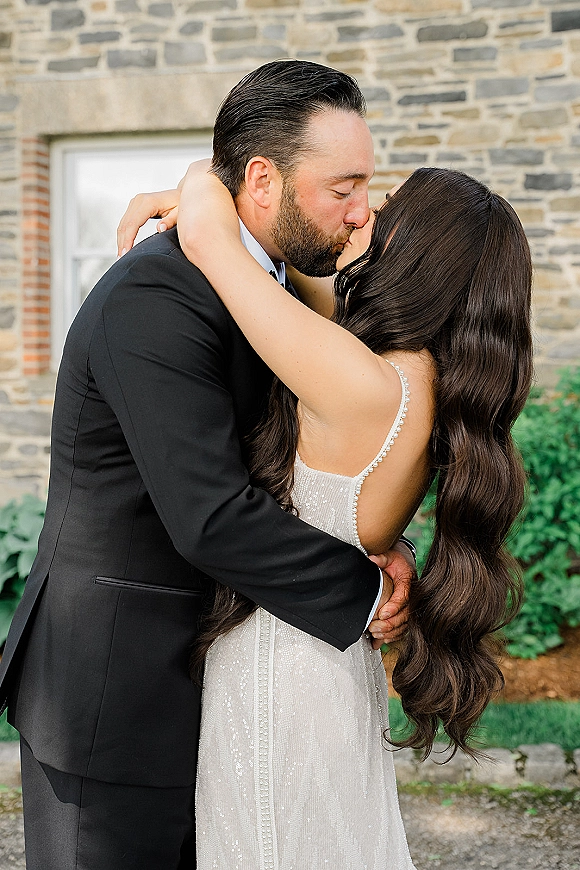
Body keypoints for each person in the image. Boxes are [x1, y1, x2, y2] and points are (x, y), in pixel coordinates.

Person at [0, 61, 416, 870]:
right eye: (345, 187)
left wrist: (362, 534)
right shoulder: (155, 295)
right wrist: (363, 589)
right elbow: (210, 513)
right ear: (262, 181)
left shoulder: (265, 286)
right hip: (112, 693)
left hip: (200, 680)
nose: (362, 212)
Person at [119, 159, 533, 869]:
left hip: (279, 677)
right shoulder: (411, 377)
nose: (362, 214)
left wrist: (197, 185)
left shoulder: (360, 380)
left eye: (387, 209)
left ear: (421, 258)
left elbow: (220, 250)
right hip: (328, 664)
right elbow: (283, 263)